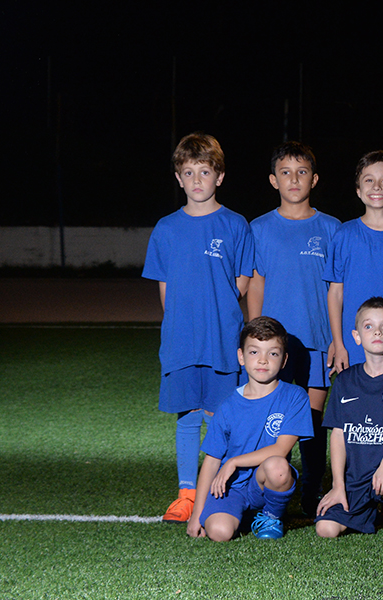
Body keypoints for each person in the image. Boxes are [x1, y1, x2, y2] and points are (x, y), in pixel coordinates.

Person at [143, 132, 254, 524]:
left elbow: (242, 281)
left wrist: (216, 311)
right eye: (188, 172)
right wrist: (183, 323)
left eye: (204, 172)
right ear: (178, 178)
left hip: (222, 338)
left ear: (219, 176)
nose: (196, 180)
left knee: (219, 415)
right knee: (188, 415)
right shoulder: (166, 228)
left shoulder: (235, 224)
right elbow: (164, 287)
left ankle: (219, 491)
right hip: (182, 341)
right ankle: (187, 494)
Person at [248, 141, 341, 515]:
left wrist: (336, 339)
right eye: (285, 172)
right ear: (273, 180)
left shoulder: (331, 228)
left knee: (312, 423)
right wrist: (255, 334)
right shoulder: (259, 228)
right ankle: (270, 491)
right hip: (275, 347)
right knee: (274, 419)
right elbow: (256, 283)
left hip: (318, 342)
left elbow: (337, 288)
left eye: (302, 172)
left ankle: (312, 491)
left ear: (314, 179)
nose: (294, 179)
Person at [186, 317, 313, 541]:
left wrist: (234, 462)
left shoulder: (295, 397)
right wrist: (197, 514)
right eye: (254, 352)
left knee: (278, 467)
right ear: (241, 357)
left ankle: (270, 516)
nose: (263, 360)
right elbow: (212, 461)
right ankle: (241, 516)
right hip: (230, 486)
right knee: (219, 532)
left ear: (284, 360)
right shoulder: (227, 406)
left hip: (262, 483)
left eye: (273, 353)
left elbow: (281, 449)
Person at [316, 297, 383, 537]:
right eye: (368, 326)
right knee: (326, 529)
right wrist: (337, 485)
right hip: (357, 474)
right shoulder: (345, 380)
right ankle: (370, 511)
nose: (377, 332)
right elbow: (338, 434)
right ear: (356, 336)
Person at [326, 150, 383, 373]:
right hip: (356, 343)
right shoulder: (344, 235)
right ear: (358, 190)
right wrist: (338, 342)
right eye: (369, 180)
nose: (376, 186)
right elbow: (335, 293)